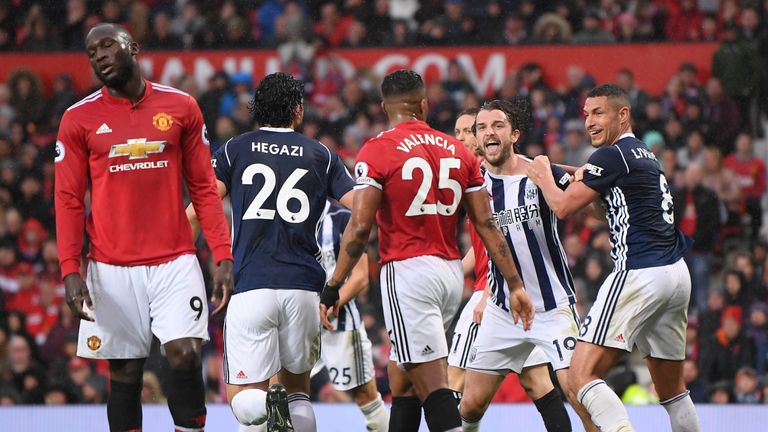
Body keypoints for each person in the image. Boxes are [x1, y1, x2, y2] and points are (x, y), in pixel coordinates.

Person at [319, 69, 534, 432]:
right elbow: (486, 225)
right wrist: (514, 284)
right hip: (449, 273)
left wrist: (334, 283)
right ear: (423, 104)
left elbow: (358, 229)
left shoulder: (377, 149)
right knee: (403, 375)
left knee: (432, 381)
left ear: (384, 108)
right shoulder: (459, 151)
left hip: (407, 272)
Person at [54, 24, 233, 432]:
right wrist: (69, 268)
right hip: (110, 266)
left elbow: (204, 186)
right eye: (91, 51)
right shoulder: (78, 119)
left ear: (132, 48)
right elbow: (66, 199)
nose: (99, 56)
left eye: (107, 46)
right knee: (126, 374)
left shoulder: (182, 106)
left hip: (175, 260)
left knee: (186, 355)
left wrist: (222, 254)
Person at [527, 84, 701, 432]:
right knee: (672, 391)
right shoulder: (642, 154)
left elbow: (561, 207)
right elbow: (602, 209)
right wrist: (550, 169)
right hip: (675, 274)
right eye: (587, 113)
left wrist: (542, 174)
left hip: (640, 272)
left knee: (579, 376)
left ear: (623, 115)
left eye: (598, 113)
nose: (589, 121)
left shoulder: (611, 155)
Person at [188, 72, 355, 432]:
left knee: (241, 397)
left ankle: (266, 401)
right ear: (298, 111)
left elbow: (202, 205)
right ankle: (283, 404)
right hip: (304, 288)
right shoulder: (321, 154)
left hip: (252, 285)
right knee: (299, 393)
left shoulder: (236, 148)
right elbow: (360, 206)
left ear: (256, 110)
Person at [459, 98, 595, 432]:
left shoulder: (539, 174)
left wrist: (590, 183)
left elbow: (589, 205)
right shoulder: (473, 186)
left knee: (577, 391)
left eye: (498, 125)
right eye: (482, 128)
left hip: (552, 307)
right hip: (502, 311)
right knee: (471, 404)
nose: (488, 132)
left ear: (514, 134)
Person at [312, 200, 389, 431]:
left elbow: (360, 276)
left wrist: (325, 306)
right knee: (277, 394)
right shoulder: (283, 214)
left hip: (341, 324)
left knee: (366, 395)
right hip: (296, 320)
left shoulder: (344, 219)